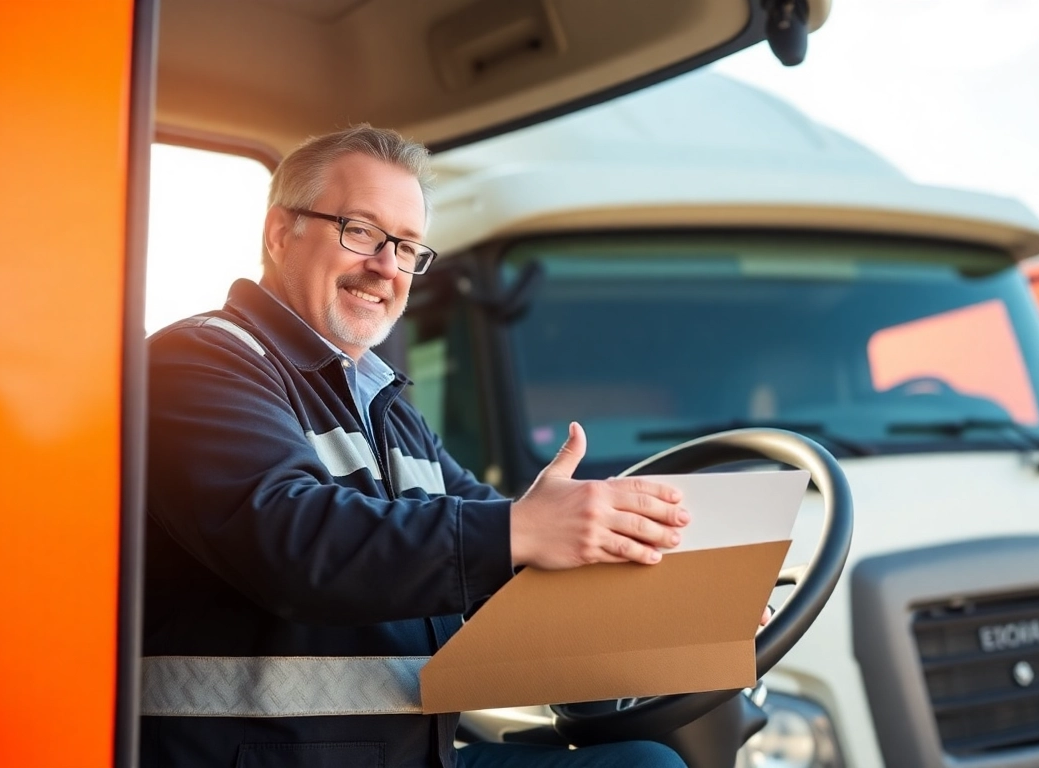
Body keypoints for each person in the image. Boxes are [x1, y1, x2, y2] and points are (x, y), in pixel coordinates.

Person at [141, 125, 693, 768]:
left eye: (405, 247)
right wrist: (520, 527)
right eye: (361, 231)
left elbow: (496, 550)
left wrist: (679, 600)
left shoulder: (388, 409)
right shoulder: (201, 360)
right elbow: (288, 537)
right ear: (278, 232)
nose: (385, 266)